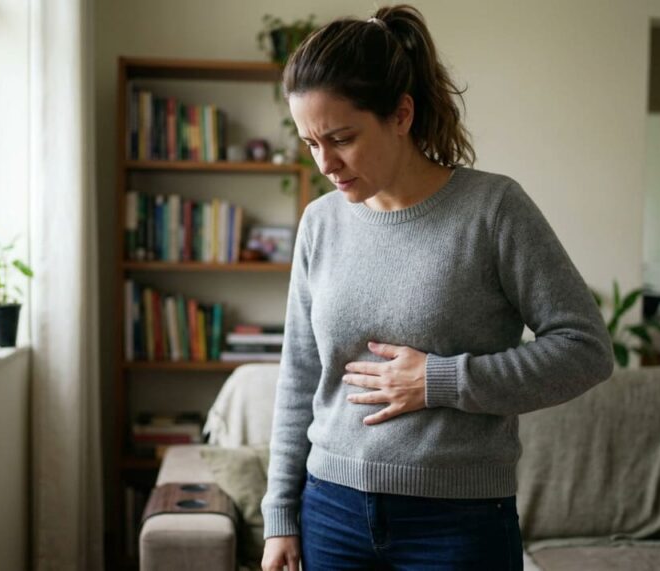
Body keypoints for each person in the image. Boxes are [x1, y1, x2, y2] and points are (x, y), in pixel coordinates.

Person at [260, 5, 614, 570]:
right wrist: (280, 514)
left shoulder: (492, 210)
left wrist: (441, 381)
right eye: (310, 143)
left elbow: (586, 349)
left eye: (342, 138)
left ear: (401, 114)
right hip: (329, 512)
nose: (325, 162)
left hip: (458, 523)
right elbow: (300, 373)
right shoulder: (320, 223)